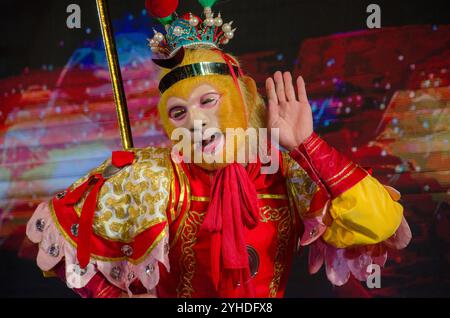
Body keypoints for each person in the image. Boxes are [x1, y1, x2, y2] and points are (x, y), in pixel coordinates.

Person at [26, 0, 411, 298]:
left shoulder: (286, 172)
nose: (194, 122)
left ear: (241, 100)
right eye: (179, 112)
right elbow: (63, 242)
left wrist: (307, 145)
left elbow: (381, 223)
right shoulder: (155, 178)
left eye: (207, 101)